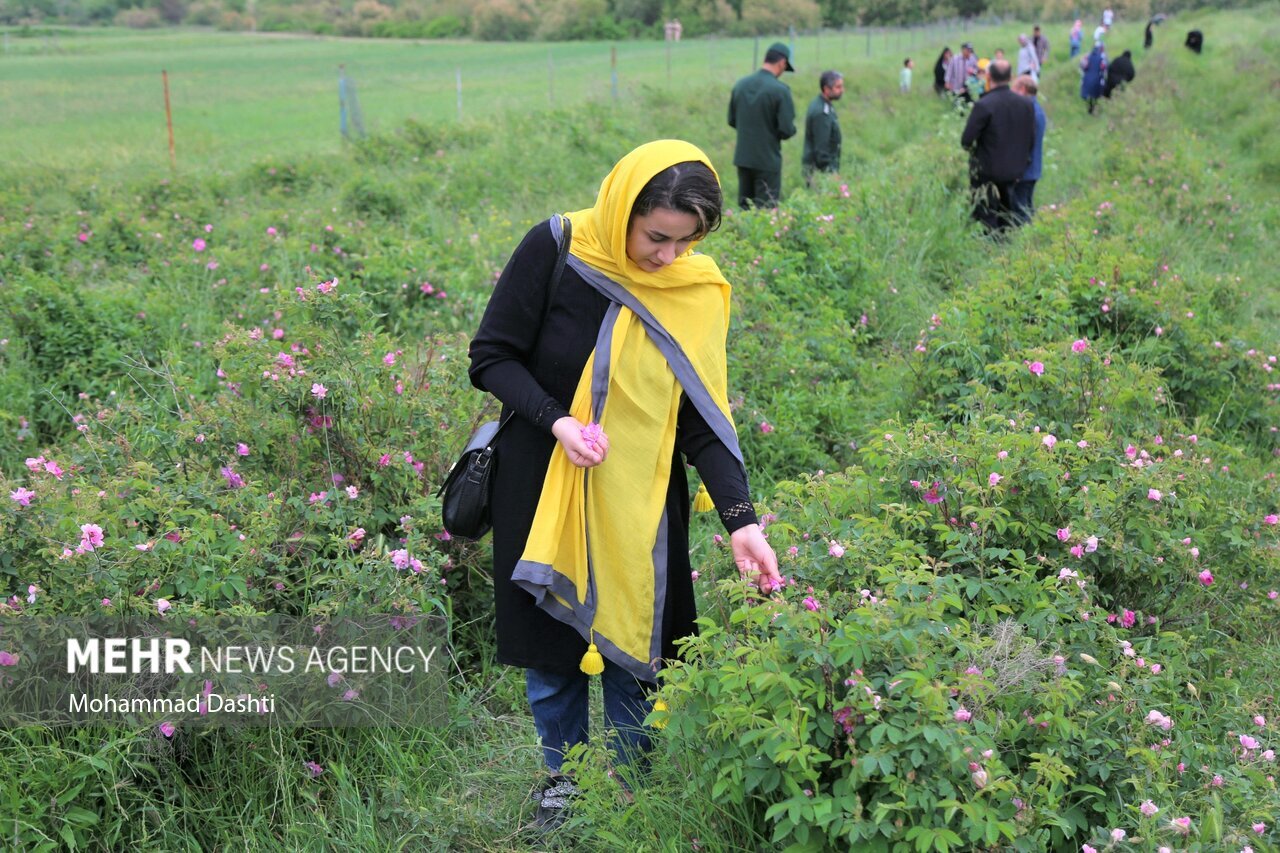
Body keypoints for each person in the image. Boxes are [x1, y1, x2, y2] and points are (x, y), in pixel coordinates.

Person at [468, 140, 781, 830]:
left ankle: (635, 785)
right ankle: (564, 782)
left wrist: (741, 519)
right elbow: (491, 356)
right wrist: (558, 422)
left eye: (686, 241)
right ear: (623, 208)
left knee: (640, 649)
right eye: (657, 237)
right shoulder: (559, 247)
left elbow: (702, 418)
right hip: (542, 480)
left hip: (642, 499)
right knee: (553, 647)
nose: (668, 258)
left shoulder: (692, 289)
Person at [960, 59, 1036, 233]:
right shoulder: (1026, 105)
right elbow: (1030, 138)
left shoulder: (984, 105)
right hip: (1015, 170)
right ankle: (1005, 246)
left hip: (987, 171)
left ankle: (989, 246)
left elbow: (966, 140)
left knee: (986, 213)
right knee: (1006, 210)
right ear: (1010, 77)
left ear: (988, 76)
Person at [728, 42, 797, 209]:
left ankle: (742, 235)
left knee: (745, 209)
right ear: (782, 63)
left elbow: (732, 120)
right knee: (766, 210)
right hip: (767, 160)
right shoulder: (780, 90)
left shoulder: (740, 85)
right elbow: (787, 129)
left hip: (743, 158)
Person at [1010, 75, 1046, 224]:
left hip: (1025, 169)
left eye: (1014, 90)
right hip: (1033, 168)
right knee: (1027, 206)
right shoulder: (1037, 109)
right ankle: (1031, 237)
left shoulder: (1028, 111)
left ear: (1022, 89)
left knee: (1020, 209)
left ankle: (1025, 242)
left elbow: (1023, 143)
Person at [803, 71, 844, 180]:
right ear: (826, 89)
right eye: (838, 87)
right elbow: (821, 148)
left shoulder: (825, 105)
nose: (842, 90)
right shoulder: (821, 112)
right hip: (820, 173)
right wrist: (830, 172)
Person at [1080, 41, 1107, 114]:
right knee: (1096, 96)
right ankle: (1094, 110)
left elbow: (1082, 66)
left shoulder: (1087, 56)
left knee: (1089, 96)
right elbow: (1104, 68)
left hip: (1087, 78)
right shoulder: (1102, 58)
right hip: (1097, 80)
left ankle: (1090, 109)